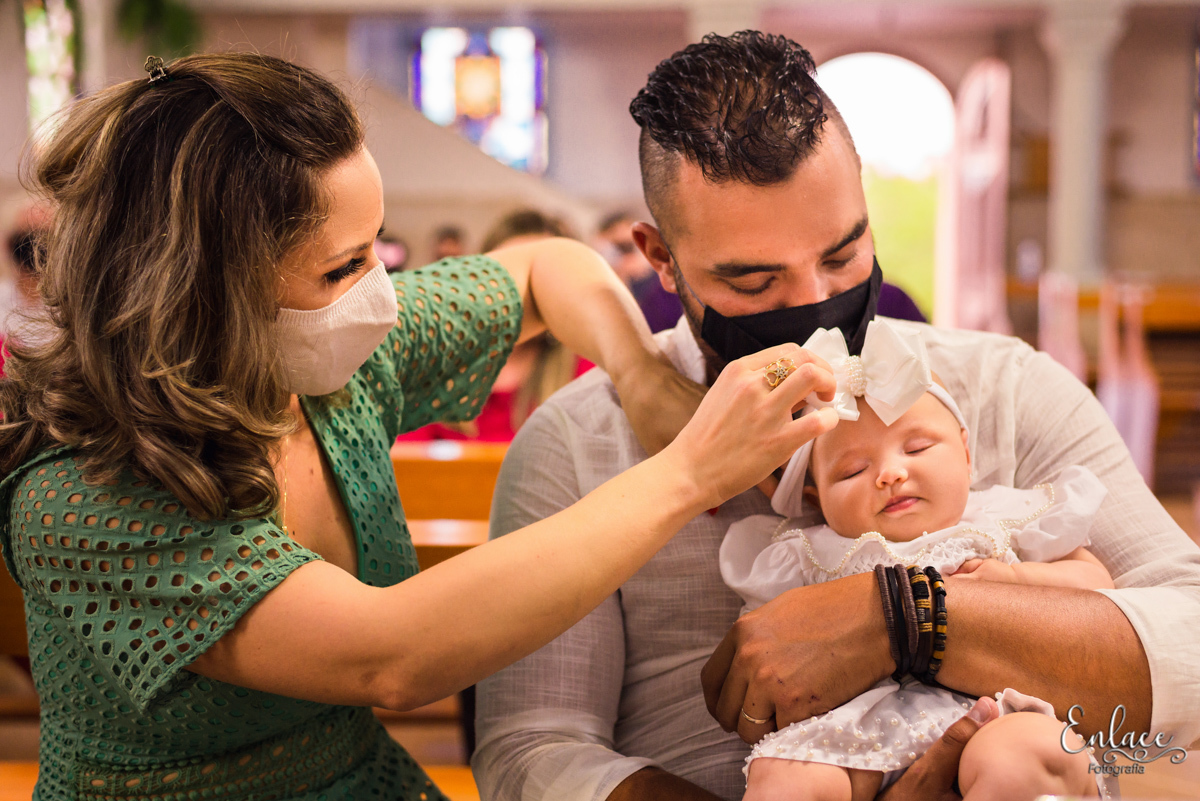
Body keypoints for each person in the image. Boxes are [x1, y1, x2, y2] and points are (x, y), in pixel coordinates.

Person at [0, 52, 836, 801]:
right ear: (200, 297)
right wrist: (689, 471)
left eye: (377, 249)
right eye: (344, 266)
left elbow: (547, 266)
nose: (385, 297)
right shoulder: (81, 500)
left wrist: (642, 377)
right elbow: (391, 655)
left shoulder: (324, 368)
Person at [473, 31, 1199, 801]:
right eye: (753, 280)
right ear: (661, 259)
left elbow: (1188, 636)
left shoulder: (1004, 387)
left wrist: (905, 616)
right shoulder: (578, 444)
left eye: (842, 254)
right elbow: (532, 747)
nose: (813, 303)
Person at [720, 320, 1114, 800]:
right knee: (785, 776)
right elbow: (771, 647)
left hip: (991, 704)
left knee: (1030, 755)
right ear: (816, 498)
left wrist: (1016, 577)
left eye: (918, 447)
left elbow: (1098, 588)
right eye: (853, 470)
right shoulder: (807, 554)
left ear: (966, 454)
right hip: (856, 727)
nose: (890, 473)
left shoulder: (1002, 518)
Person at [398, 209, 591, 443]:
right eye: (509, 275)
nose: (521, 293)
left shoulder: (583, 376)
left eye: (540, 277)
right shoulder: (435, 364)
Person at [593, 210, 683, 333]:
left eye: (630, 245)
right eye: (618, 247)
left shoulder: (663, 275)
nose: (627, 259)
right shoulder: (603, 277)